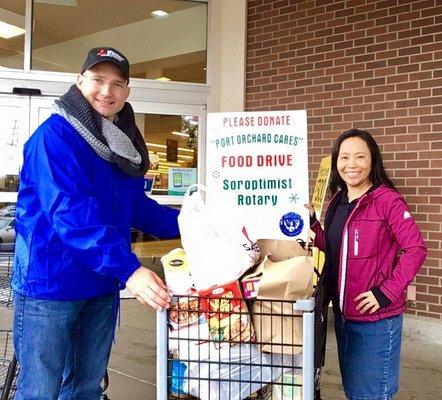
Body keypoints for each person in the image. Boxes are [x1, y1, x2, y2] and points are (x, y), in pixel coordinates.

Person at [12, 47, 179, 400]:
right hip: (51, 284)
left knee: (85, 387)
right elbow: (70, 214)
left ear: (127, 92)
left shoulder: (119, 143)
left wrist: (194, 224)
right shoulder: (54, 137)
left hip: (100, 285)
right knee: (41, 389)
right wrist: (129, 270)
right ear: (79, 82)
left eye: (117, 83)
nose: (107, 91)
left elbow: (135, 207)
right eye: (98, 80)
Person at [306, 129, 427, 400]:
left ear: (373, 161)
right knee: (355, 392)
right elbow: (333, 248)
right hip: (343, 315)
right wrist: (313, 223)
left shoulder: (387, 201)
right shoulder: (337, 200)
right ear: (336, 162)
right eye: (345, 157)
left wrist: (385, 293)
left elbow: (416, 250)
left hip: (375, 321)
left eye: (360, 156)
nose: (352, 164)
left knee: (370, 395)